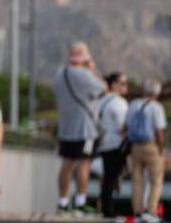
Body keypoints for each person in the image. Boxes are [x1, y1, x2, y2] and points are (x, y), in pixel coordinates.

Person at [52, 41, 106, 214]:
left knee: (66, 165)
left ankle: (62, 202)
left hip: (65, 128)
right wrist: (91, 69)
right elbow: (103, 88)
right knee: (84, 164)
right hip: (84, 129)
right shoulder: (83, 74)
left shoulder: (59, 75)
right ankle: (80, 202)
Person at [127, 80, 168, 223]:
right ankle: (150, 211)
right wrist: (162, 150)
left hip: (135, 146)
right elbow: (159, 131)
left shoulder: (133, 104)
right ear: (157, 92)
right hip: (151, 146)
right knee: (156, 180)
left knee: (137, 180)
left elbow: (127, 125)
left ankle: (137, 212)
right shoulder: (156, 107)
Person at [97, 72, 130, 218]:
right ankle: (108, 211)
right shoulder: (119, 102)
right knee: (111, 178)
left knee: (108, 178)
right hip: (116, 144)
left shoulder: (102, 100)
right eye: (123, 83)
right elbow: (123, 126)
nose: (126, 87)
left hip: (103, 143)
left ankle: (106, 209)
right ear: (114, 85)